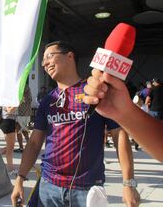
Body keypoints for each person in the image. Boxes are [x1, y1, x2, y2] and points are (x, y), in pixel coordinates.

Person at [11, 41, 140, 207]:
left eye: (49, 56)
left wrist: (128, 183)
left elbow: (118, 134)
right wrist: (20, 179)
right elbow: (35, 142)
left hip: (86, 189)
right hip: (48, 186)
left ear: (70, 56)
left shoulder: (95, 92)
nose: (45, 63)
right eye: (43, 60)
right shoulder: (47, 101)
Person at [83, 69, 163, 162]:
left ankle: (136, 145)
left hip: (152, 110)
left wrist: (126, 112)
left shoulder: (151, 90)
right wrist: (125, 112)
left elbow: (147, 99)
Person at [0, 106, 17, 175]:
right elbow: (9, 111)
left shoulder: (10, 99)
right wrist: (17, 104)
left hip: (10, 122)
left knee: (10, 147)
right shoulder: (8, 99)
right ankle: (10, 169)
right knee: (10, 148)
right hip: (8, 122)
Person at [14, 84, 32, 153]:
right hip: (24, 113)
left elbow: (25, 99)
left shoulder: (23, 87)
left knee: (21, 130)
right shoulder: (25, 87)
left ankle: (25, 147)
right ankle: (25, 147)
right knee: (22, 130)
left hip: (22, 113)